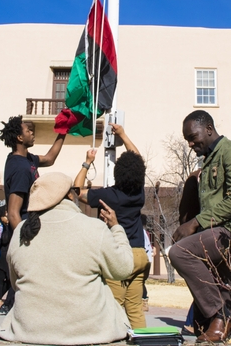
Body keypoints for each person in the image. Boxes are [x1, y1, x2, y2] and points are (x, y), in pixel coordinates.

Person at [0, 172, 133, 344]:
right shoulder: (94, 227)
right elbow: (123, 269)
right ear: (68, 194)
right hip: (89, 330)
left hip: (30, 329)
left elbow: (16, 282)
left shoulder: (21, 231)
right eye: (75, 190)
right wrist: (116, 228)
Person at [170, 110, 231, 343]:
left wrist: (195, 224)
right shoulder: (208, 162)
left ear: (209, 128)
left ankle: (221, 315)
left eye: (193, 136)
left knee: (180, 252)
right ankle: (221, 318)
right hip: (216, 233)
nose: (190, 143)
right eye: (186, 139)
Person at [74, 123, 149, 329]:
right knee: (134, 308)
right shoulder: (139, 193)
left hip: (119, 254)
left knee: (114, 305)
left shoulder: (108, 196)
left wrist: (87, 163)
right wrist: (123, 134)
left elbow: (77, 191)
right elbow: (137, 158)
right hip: (140, 255)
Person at [0, 115, 66, 232]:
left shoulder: (26, 159)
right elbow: (13, 214)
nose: (32, 133)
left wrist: (63, 131)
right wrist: (23, 242)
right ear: (20, 137)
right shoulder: (20, 169)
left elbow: (49, 159)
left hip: (32, 223)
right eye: (28, 131)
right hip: (25, 226)